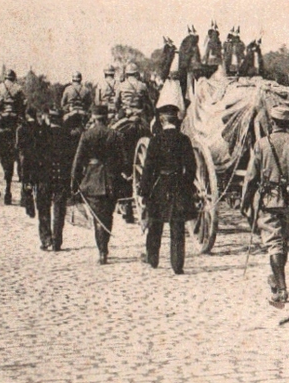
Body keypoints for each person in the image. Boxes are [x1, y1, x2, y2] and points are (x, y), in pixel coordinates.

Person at [240, 105, 289, 303]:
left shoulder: (262, 144)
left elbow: (251, 177)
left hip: (268, 201)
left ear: (272, 122)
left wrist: (245, 202)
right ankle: (277, 280)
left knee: (274, 245)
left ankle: (281, 289)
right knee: (282, 243)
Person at [139, 105, 198, 274]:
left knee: (155, 224)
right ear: (175, 120)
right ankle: (177, 265)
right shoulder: (184, 140)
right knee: (177, 227)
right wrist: (186, 185)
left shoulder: (156, 140)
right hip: (179, 186)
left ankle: (153, 258)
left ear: (162, 120)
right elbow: (192, 168)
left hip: (159, 186)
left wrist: (144, 191)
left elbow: (148, 168)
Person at [71, 105, 127, 264]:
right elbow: (124, 160)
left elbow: (78, 159)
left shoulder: (87, 135)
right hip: (111, 180)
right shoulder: (115, 134)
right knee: (107, 215)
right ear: (107, 118)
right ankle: (104, 248)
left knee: (97, 218)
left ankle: (102, 250)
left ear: (94, 118)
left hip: (92, 180)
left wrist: (73, 181)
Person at [32, 109, 75, 251]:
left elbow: (34, 157)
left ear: (49, 119)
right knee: (59, 209)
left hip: (44, 177)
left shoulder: (41, 134)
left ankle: (46, 239)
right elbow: (71, 159)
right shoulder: (68, 136)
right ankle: (57, 241)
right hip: (61, 177)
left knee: (43, 208)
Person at [0, 69, 26, 142]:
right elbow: (24, 102)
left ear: (5, 77)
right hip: (15, 116)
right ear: (14, 78)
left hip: (1, 115)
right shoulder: (19, 88)